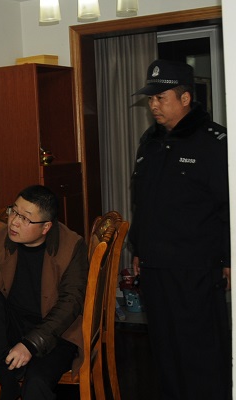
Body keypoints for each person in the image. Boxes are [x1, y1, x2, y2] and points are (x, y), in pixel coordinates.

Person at [130, 59, 230, 400]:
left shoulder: (214, 142)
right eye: (151, 98)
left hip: (195, 268)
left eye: (161, 97)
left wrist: (228, 258)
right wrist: (138, 249)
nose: (153, 105)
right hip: (155, 267)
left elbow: (227, 206)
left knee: (201, 351)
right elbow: (142, 203)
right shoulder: (150, 141)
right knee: (165, 350)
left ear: (185, 98)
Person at [0, 185, 88, 400]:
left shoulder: (71, 245)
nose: (14, 222)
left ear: (46, 227)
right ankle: (8, 379)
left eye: (25, 218)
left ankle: (5, 373)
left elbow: (71, 303)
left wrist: (30, 344)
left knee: (36, 382)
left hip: (56, 334)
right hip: (11, 328)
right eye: (14, 211)